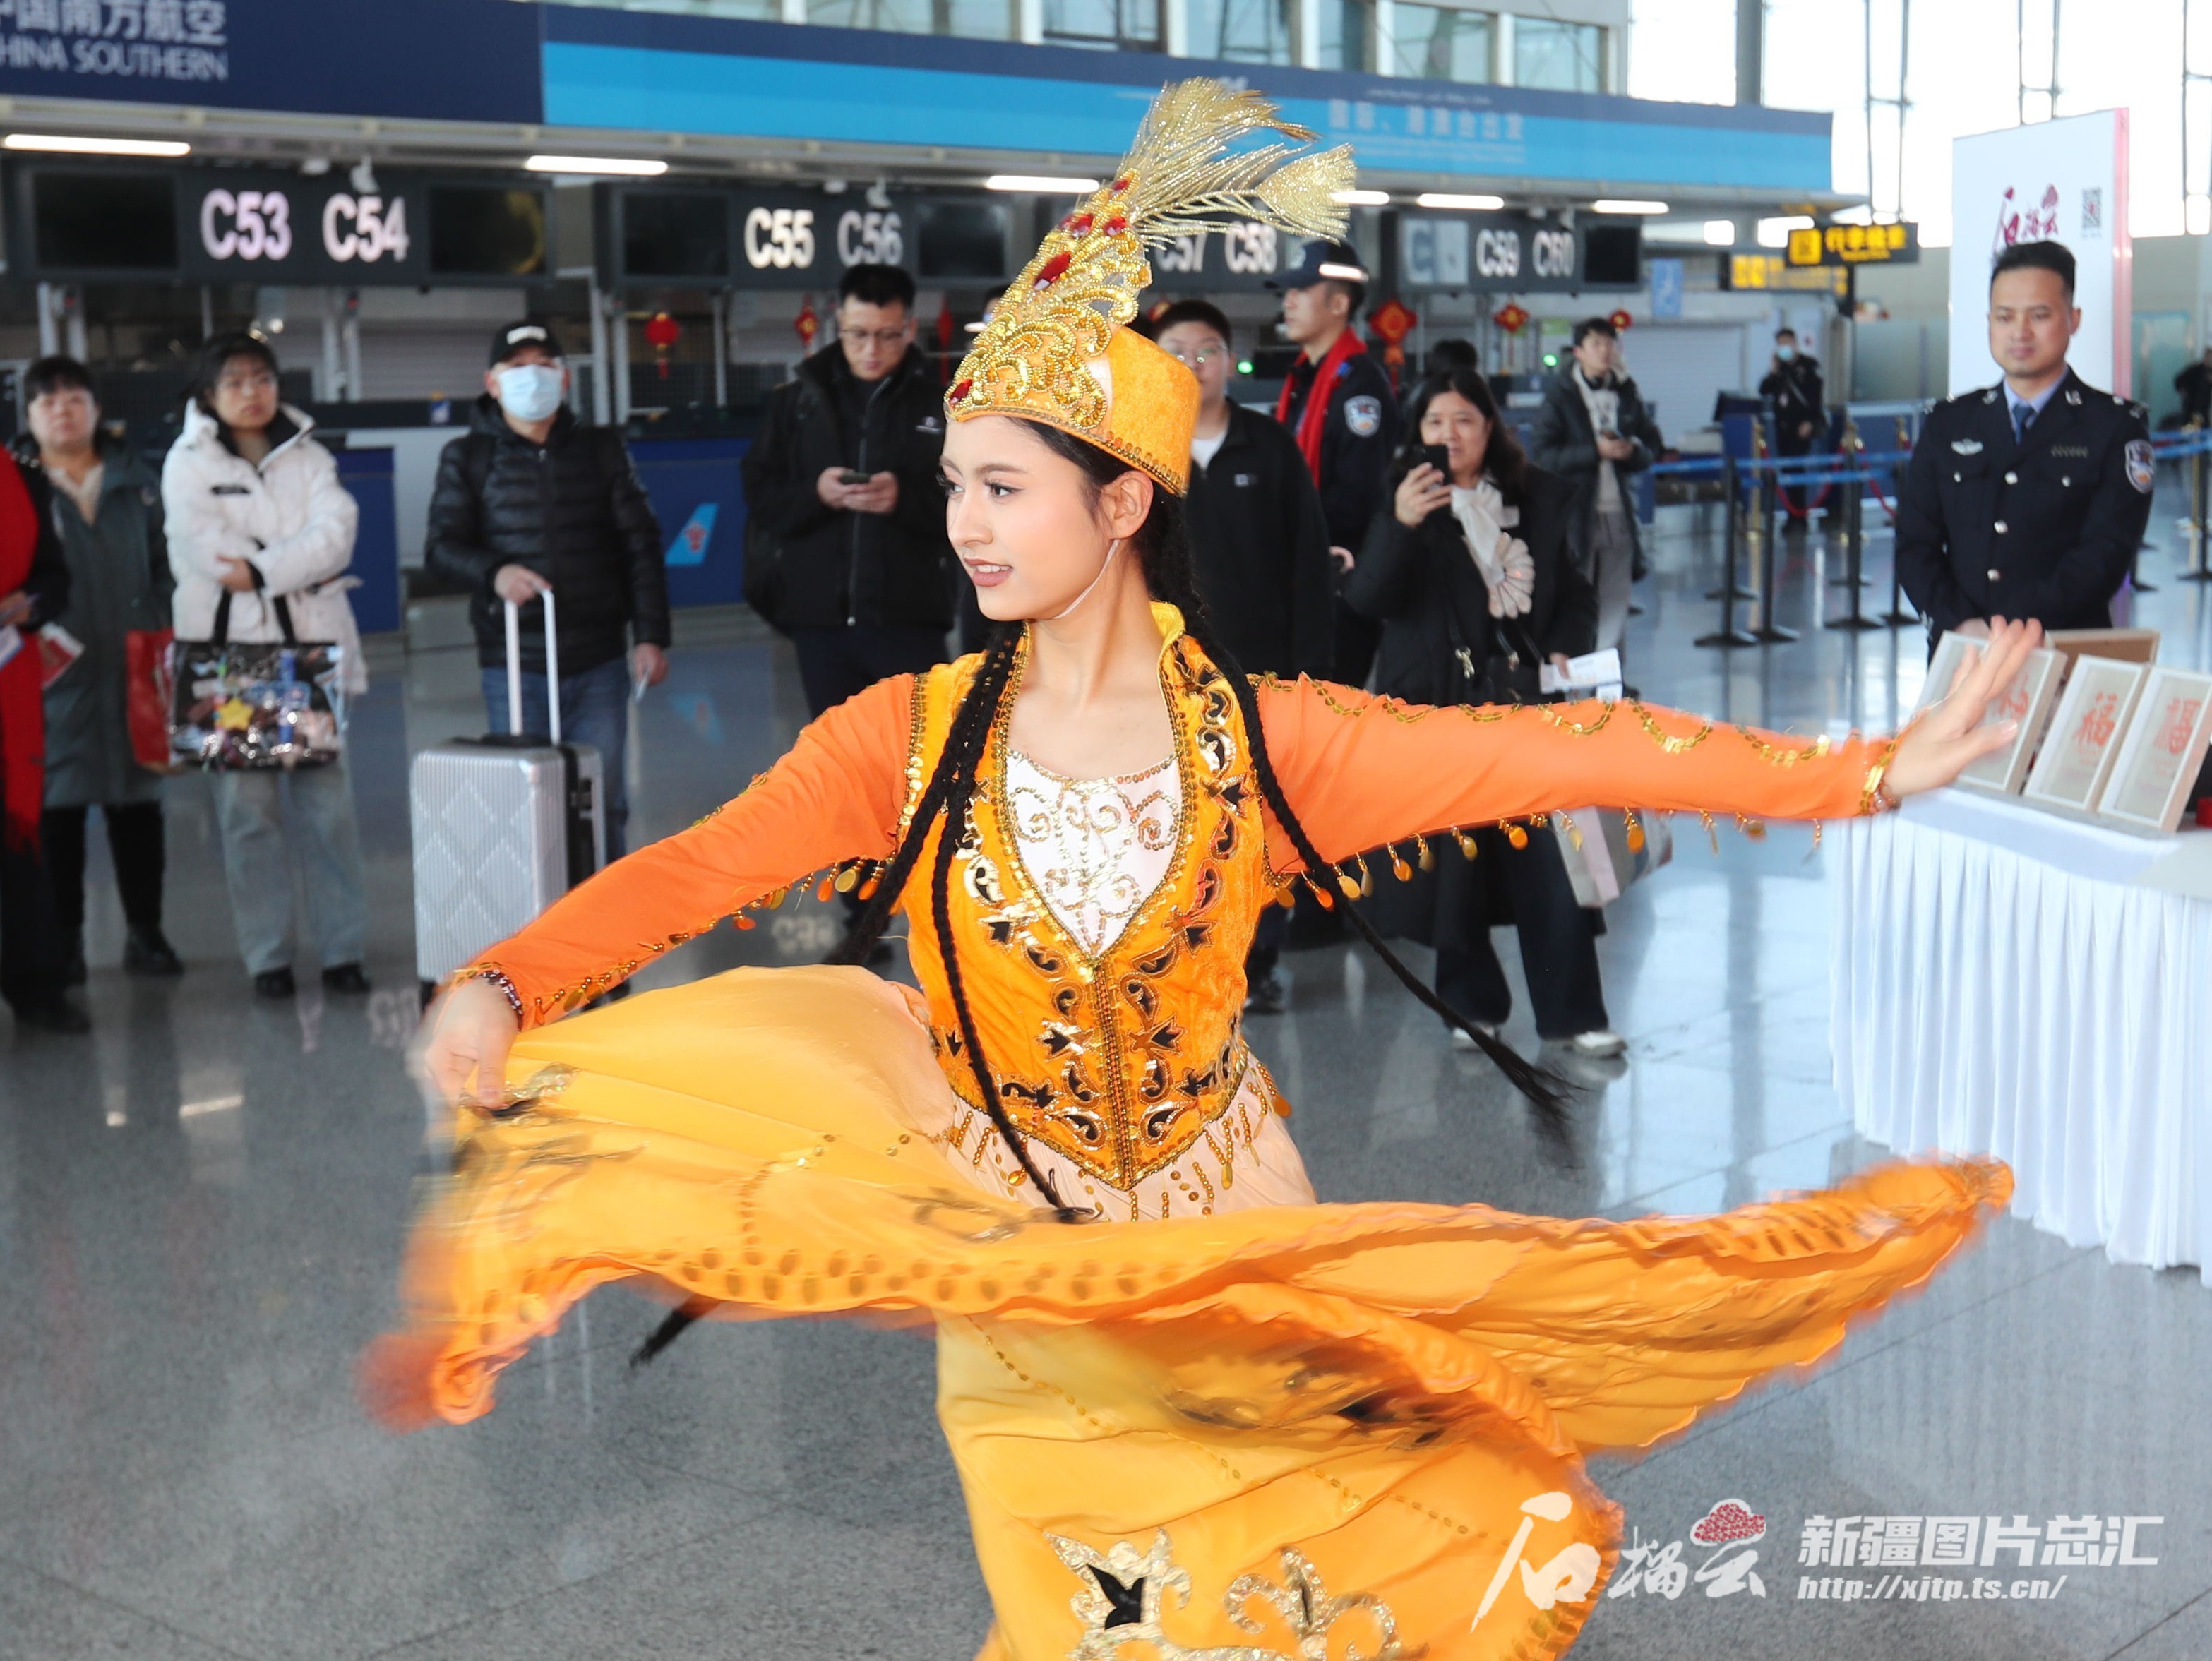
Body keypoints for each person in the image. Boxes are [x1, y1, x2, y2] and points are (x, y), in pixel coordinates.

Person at [382, 81, 2035, 1661]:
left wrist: (1859, 772)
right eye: (955, 485)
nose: (963, 524)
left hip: (1233, 1227)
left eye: (1001, 487)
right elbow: (692, 868)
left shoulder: (1265, 742)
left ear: (1119, 504)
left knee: (1275, 1593)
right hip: (1025, 1260)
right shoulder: (902, 739)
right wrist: (506, 979)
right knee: (1080, 1607)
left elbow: (1557, 750)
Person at [1345, 366, 1620, 1056]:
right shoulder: (1402, 501)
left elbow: (1575, 591)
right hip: (1440, 707)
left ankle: (1574, 1013)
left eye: (1464, 420)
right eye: (1434, 422)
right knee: (1457, 864)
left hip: (1527, 700)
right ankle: (1471, 1006)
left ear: (1489, 428)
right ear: (1417, 433)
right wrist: (1401, 524)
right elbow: (1368, 598)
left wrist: (1565, 644)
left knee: (1553, 859)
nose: (1450, 435)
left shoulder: (1534, 497)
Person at [165, 332, 369, 1000]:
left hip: (307, 652)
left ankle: (343, 951)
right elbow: (208, 553)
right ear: (208, 394)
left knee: (329, 811)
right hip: (233, 661)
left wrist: (262, 567)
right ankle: (268, 958)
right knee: (248, 817)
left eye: (262, 378)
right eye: (234, 381)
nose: (251, 392)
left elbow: (337, 533)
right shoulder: (187, 463)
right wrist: (289, 557)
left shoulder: (309, 455)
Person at [425, 320, 669, 864]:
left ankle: (605, 908)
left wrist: (650, 635)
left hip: (599, 661)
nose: (530, 376)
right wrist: (494, 572)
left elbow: (640, 544)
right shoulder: (467, 457)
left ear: (563, 378)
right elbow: (440, 548)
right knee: (526, 801)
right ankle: (538, 910)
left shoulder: (602, 450)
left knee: (603, 797)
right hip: (515, 665)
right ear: (492, 383)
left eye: (543, 364)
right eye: (516, 366)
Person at [1154, 298, 1332, 1015]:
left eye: (1207, 351)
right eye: (1176, 351)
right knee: (1181, 822)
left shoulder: (1270, 447)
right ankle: (1182, 961)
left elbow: (1309, 564)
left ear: (1230, 361)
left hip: (1263, 673)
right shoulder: (1138, 452)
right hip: (1168, 675)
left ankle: (1258, 961)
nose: (1193, 365)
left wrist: (1310, 674)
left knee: (1258, 824)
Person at [1895, 239, 2155, 642]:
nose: (2020, 332)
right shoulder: (1949, 423)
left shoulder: (2115, 427)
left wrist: (2007, 630)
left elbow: (2105, 554)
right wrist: (1959, 623)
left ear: (2073, 319)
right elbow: (1915, 544)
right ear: (1989, 322)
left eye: (2039, 315)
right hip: (1963, 651)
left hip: (2060, 652)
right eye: (2004, 317)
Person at [20, 355, 182, 984]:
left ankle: (147, 932)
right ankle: (64, 944)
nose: (62, 410)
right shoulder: (18, 488)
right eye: (47, 401)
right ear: (29, 415)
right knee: (57, 814)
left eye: (74, 398)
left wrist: (157, 619)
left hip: (135, 671)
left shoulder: (137, 483)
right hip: (49, 677)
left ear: (95, 409)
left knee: (138, 807)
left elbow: (169, 562)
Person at [740, 263, 955, 720]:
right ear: (839, 323)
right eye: (858, 334)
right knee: (837, 752)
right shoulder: (795, 405)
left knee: (919, 747)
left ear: (909, 328)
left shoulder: (940, 408)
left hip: (910, 618)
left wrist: (903, 498)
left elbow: (970, 502)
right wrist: (817, 494)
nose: (871, 350)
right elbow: (760, 495)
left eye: (888, 336)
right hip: (819, 622)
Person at [1268, 237, 1399, 688]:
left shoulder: (1360, 387)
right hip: (1301, 576)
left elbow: (1358, 496)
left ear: (1339, 303)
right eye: (1287, 292)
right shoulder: (1304, 378)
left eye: (1301, 291)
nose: (1288, 302)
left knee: (1332, 703)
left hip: (1340, 581)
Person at [0, 412, 84, 1033]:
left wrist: (27, 603)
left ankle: (36, 987)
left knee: (17, 837)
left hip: (8, 683)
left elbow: (55, 579)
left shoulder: (22, 480)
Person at [1529, 317, 1663, 664]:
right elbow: (1543, 455)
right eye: (1596, 344)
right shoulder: (1561, 395)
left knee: (1617, 597)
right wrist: (1594, 452)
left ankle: (1609, 677)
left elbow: (1653, 445)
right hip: (1577, 515)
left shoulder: (1625, 392)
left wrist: (1631, 451)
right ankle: (1576, 676)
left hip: (1619, 510)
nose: (1605, 352)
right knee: (1577, 595)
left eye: (1609, 344)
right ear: (1578, 352)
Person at [1759, 325, 1826, 523]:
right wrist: (1773, 371)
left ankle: (1799, 516)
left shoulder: (1809, 366)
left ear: (1795, 343)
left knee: (1798, 470)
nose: (1784, 348)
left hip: (1802, 426)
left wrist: (1810, 422)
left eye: (1787, 343)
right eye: (1780, 345)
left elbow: (1816, 398)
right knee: (1787, 470)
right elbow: (1764, 390)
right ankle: (1792, 515)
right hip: (1783, 428)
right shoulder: (1780, 369)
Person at [2174, 347, 2212, 427]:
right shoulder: (2195, 370)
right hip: (2192, 406)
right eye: (2209, 357)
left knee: (2204, 428)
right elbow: (2179, 380)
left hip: (2205, 409)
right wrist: (2183, 391)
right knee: (2191, 428)